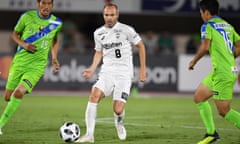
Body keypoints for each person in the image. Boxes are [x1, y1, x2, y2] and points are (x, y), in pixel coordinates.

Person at [75, 3, 146, 143]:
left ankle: (119, 122)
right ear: (103, 15)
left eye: (112, 15)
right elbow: (99, 52)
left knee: (118, 109)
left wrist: (143, 69)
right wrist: (92, 68)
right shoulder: (98, 33)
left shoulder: (126, 30)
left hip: (124, 73)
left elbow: (141, 46)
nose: (109, 18)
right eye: (107, 15)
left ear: (117, 15)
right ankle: (89, 135)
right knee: (94, 94)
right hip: (107, 71)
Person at [0, 0, 62, 135]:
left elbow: (55, 39)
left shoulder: (56, 23)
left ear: (52, 5)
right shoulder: (27, 17)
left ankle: (0, 125)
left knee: (19, 92)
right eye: (43, 3)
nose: (46, 6)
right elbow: (14, 34)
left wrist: (54, 57)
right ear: (38, 4)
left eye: (49, 4)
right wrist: (24, 45)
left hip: (37, 66)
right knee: (7, 97)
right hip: (20, 62)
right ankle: (12, 106)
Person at [188, 0, 240, 143]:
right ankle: (212, 134)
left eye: (201, 13)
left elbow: (205, 47)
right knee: (199, 97)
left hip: (223, 73)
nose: (201, 16)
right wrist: (230, 57)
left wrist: (194, 61)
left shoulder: (207, 26)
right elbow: (239, 45)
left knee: (224, 111)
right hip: (222, 70)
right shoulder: (227, 25)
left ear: (205, 12)